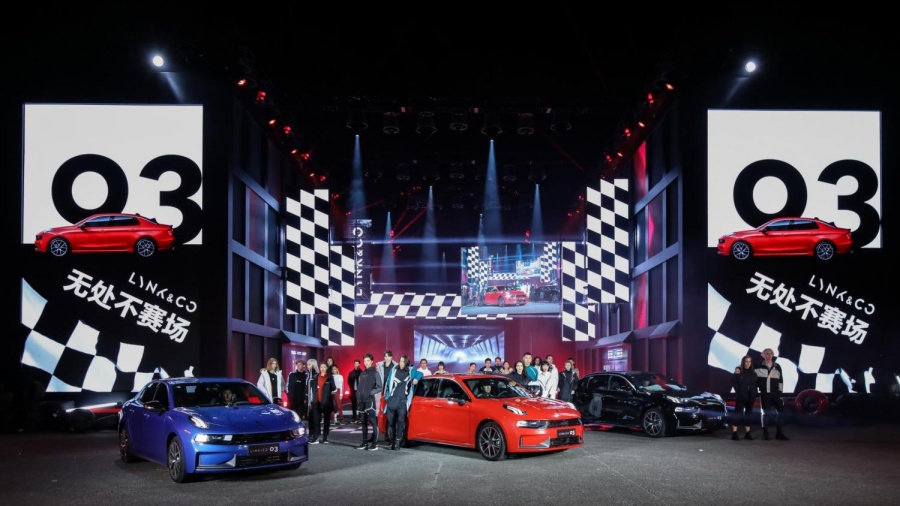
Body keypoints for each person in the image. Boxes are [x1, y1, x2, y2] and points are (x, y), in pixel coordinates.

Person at [755, 348, 788, 440]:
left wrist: (780, 392)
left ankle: (779, 434)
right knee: (766, 414)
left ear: (773, 355)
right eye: (767, 354)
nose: (769, 355)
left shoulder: (777, 366)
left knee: (781, 412)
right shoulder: (757, 366)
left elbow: (781, 380)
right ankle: (765, 434)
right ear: (763, 355)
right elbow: (751, 377)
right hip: (765, 393)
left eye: (771, 354)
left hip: (776, 393)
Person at [355, 353, 384, 451]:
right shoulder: (362, 374)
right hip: (361, 401)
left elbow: (380, 387)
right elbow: (359, 387)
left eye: (368, 361)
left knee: (373, 422)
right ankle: (364, 443)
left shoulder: (375, 373)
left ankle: (375, 444)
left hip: (370, 401)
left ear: (372, 361)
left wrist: (370, 392)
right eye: (365, 361)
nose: (366, 362)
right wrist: (358, 396)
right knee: (363, 422)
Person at [384, 355, 412, 450]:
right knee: (391, 423)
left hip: (402, 401)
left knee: (400, 421)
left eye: (403, 361)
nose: (401, 363)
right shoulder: (393, 371)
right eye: (400, 361)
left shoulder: (410, 372)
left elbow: (420, 374)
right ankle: (392, 442)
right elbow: (387, 385)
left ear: (406, 362)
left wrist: (416, 379)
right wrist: (387, 398)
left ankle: (398, 441)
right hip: (392, 401)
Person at [308, 362, 337, 444]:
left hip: (327, 403)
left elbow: (334, 388)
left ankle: (325, 438)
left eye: (324, 367)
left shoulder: (330, 377)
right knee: (316, 421)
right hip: (316, 402)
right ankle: (315, 437)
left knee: (326, 421)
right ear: (319, 368)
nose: (323, 369)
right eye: (321, 367)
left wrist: (329, 394)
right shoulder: (315, 377)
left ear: (326, 368)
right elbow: (312, 389)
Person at [732, 355, 758, 441]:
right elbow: (734, 382)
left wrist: (754, 394)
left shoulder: (753, 373)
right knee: (738, 414)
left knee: (748, 414)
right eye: (746, 361)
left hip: (751, 397)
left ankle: (747, 433)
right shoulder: (738, 371)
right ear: (743, 362)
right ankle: (734, 433)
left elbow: (755, 385)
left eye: (749, 361)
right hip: (741, 397)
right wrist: (739, 392)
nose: (748, 363)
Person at [376, 351, 396, 442]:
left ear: (391, 357)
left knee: (390, 412)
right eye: (385, 356)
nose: (386, 358)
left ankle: (390, 433)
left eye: (388, 356)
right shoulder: (380, 366)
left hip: (391, 392)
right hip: (382, 392)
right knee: (383, 413)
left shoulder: (395, 366)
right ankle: (385, 433)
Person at [347, 359, 362, 423]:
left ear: (359, 364)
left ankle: (361, 417)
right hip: (353, 391)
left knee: (360, 405)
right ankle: (354, 417)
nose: (356, 365)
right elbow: (348, 381)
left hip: (360, 392)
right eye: (355, 363)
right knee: (354, 405)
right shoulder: (351, 373)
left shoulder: (362, 372)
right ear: (354, 364)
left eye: (357, 363)